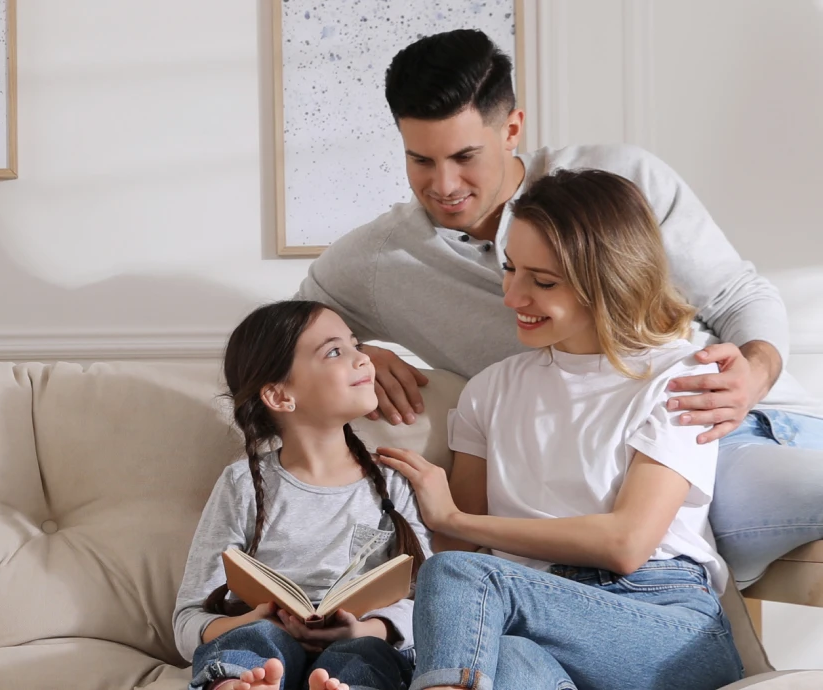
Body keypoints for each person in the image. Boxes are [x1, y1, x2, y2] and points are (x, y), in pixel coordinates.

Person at [296, 28, 823, 587]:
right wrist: (353, 352)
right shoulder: (379, 262)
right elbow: (278, 338)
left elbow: (739, 295)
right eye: (420, 159)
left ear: (512, 129)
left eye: (465, 156)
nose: (444, 184)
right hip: (625, 470)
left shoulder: (621, 178)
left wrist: (754, 374)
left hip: (721, 420)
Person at [374, 169, 745, 689]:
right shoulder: (489, 390)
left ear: (609, 280)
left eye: (543, 282)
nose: (512, 297)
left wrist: (456, 518)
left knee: (460, 579)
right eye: (510, 269)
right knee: (509, 659)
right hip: (535, 620)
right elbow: (458, 547)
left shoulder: (682, 378)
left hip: (662, 622)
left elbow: (627, 542)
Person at [173, 301, 432, 690]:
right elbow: (188, 620)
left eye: (356, 344)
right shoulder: (242, 484)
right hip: (266, 644)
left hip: (360, 643)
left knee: (363, 653)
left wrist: (366, 629)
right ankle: (239, 684)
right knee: (255, 639)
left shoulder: (394, 483)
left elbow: (429, 607)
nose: (363, 359)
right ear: (280, 396)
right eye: (335, 351)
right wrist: (253, 620)